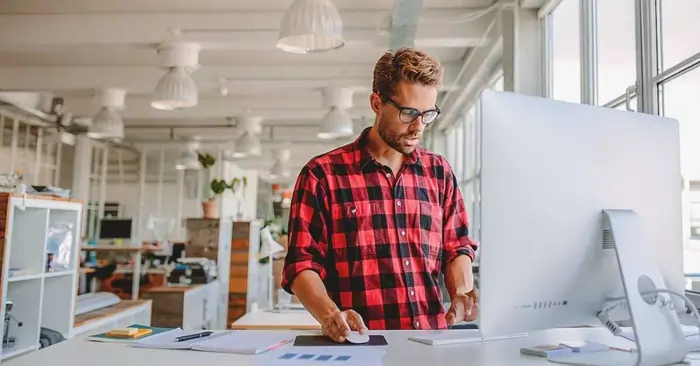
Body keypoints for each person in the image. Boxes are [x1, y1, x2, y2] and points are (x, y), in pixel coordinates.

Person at [281, 48, 479, 342]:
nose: (418, 127)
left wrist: (462, 292)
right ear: (377, 102)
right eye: (409, 113)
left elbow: (456, 247)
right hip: (359, 346)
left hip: (431, 344)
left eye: (428, 114)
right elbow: (301, 264)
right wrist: (329, 314)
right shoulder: (322, 175)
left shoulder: (439, 173)